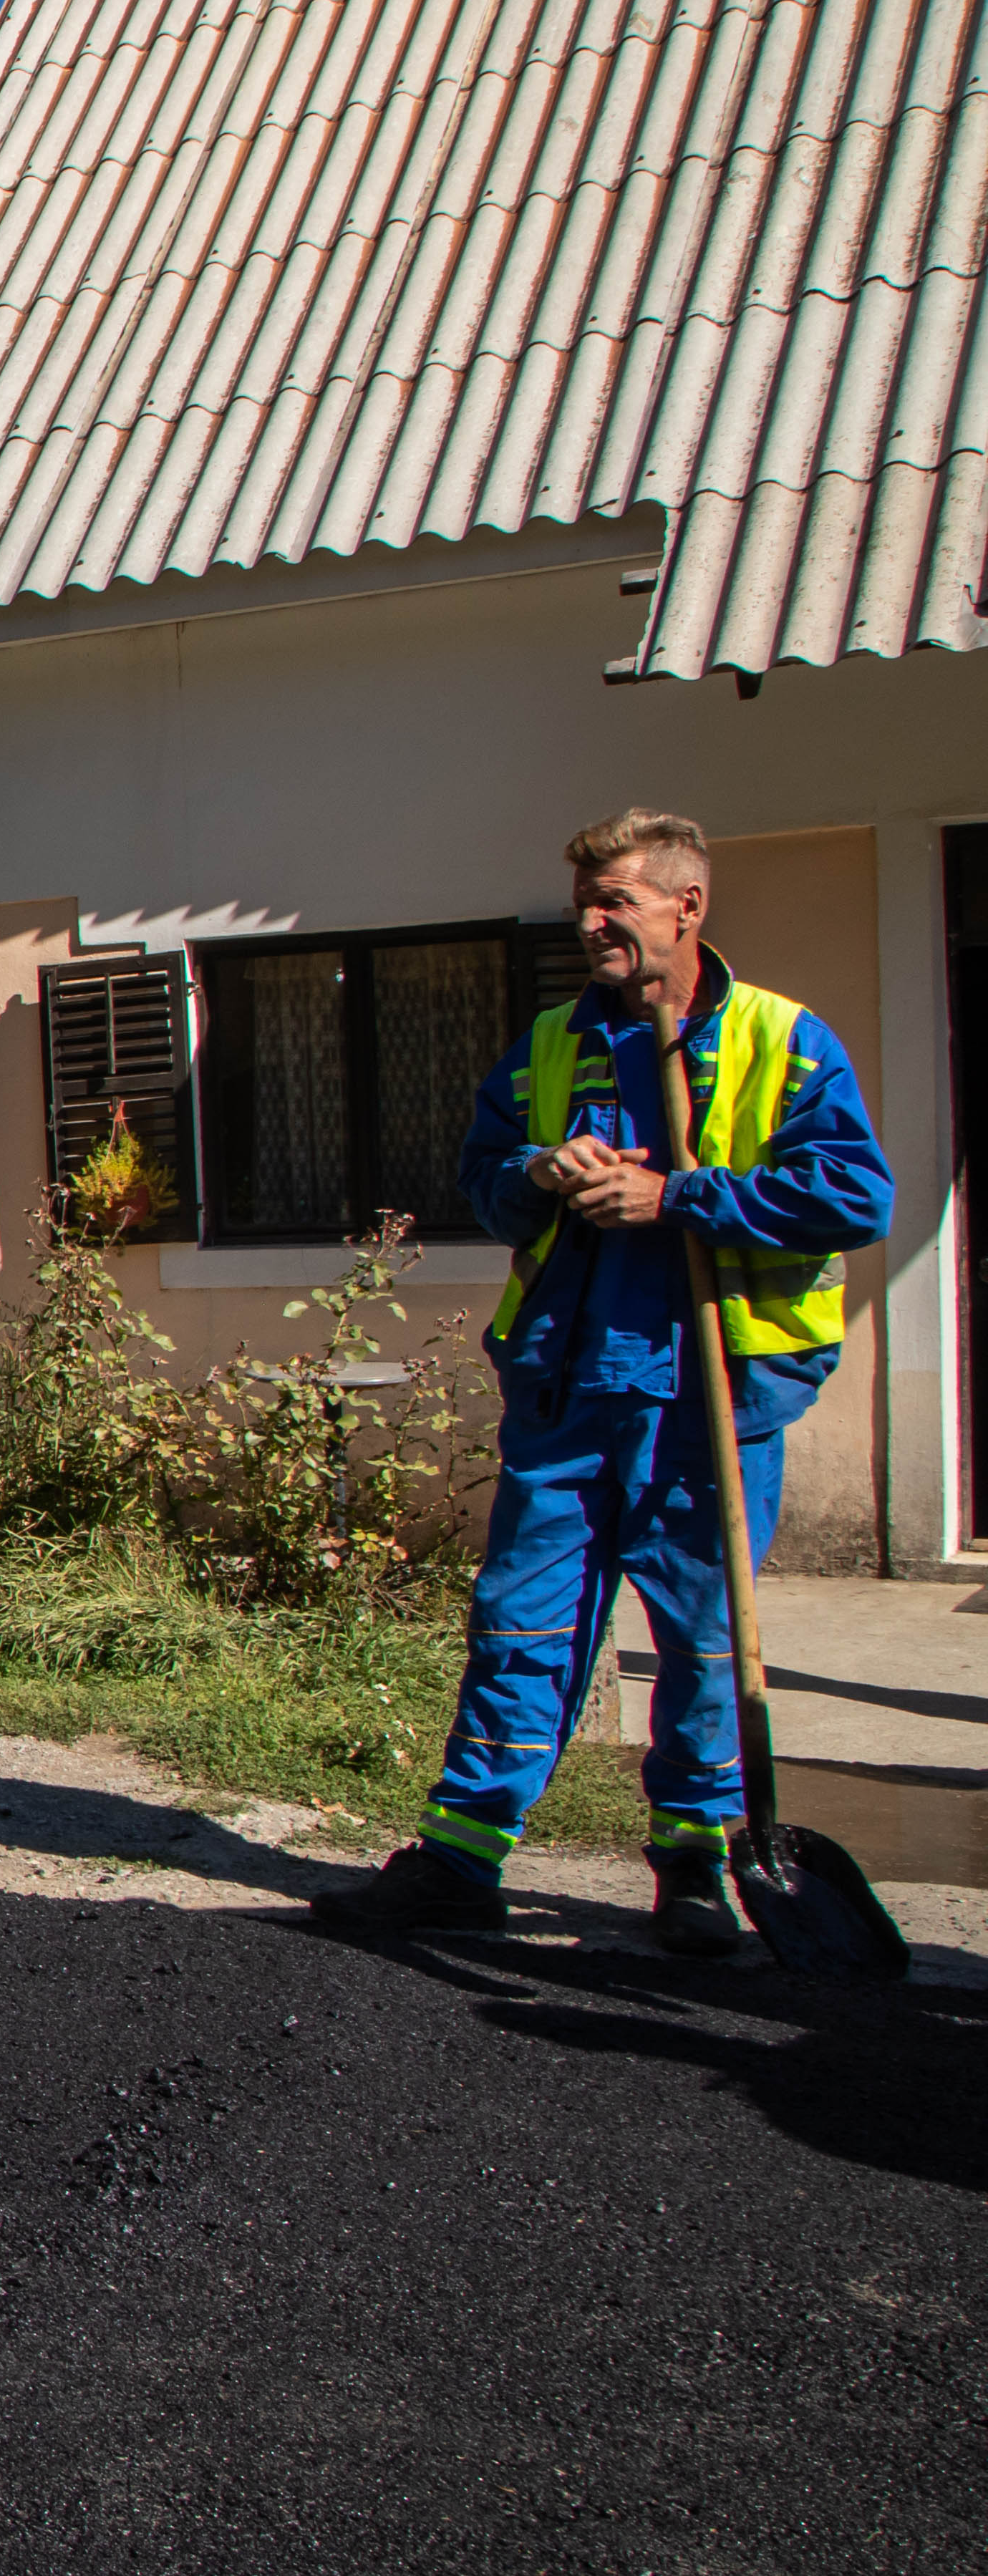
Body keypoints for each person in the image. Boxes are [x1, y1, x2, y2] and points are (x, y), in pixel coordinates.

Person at [314, 809, 891, 1955]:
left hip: (711, 1398)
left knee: (702, 1638)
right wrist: (538, 1168)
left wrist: (676, 1198)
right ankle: (464, 1859)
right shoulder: (550, 1044)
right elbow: (486, 1182)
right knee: (521, 1626)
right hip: (568, 1390)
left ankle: (695, 1869)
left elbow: (852, 1199)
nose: (590, 921)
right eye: (586, 899)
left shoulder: (789, 1041)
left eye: (615, 898)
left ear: (688, 905)